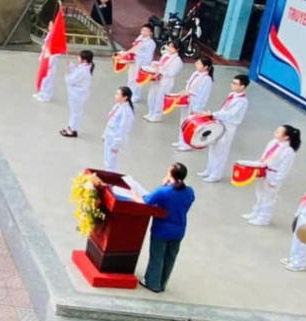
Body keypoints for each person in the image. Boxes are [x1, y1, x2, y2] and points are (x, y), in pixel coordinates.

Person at [139, 163, 196, 295]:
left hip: (162, 229)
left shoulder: (164, 191)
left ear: (171, 175)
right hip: (179, 230)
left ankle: (152, 282)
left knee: (157, 256)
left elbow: (147, 201)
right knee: (170, 257)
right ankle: (162, 283)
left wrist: (164, 185)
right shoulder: (189, 191)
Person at [243, 125, 300, 226]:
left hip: (273, 174)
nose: (276, 132)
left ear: (286, 137)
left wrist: (275, 181)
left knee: (268, 197)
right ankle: (256, 211)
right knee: (260, 193)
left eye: (279, 131)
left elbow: (284, 168)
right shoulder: (273, 142)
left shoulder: (288, 151)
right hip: (263, 170)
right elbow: (265, 155)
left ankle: (264, 217)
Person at [201, 73, 250, 182]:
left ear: (242, 86)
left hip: (229, 126)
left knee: (221, 150)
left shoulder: (242, 101)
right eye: (232, 82)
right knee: (213, 146)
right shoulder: (232, 95)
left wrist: (213, 114)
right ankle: (209, 169)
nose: (232, 85)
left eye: (235, 84)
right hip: (220, 122)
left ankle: (216, 174)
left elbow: (230, 114)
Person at [175, 57, 216, 149]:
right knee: (183, 121)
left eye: (199, 64)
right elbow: (189, 86)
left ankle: (188, 144)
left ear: (206, 67)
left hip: (195, 102)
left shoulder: (207, 79)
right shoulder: (195, 74)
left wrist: (197, 107)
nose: (196, 65)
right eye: (196, 63)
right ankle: (181, 140)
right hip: (188, 99)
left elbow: (204, 95)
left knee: (191, 124)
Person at [60, 49, 95, 139]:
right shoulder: (86, 67)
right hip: (78, 94)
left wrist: (66, 76)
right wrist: (70, 65)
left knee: (75, 112)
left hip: (77, 94)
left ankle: (72, 130)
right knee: (75, 112)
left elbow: (71, 80)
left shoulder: (83, 70)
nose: (77, 58)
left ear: (84, 60)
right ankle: (71, 127)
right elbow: (76, 72)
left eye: (79, 56)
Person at [145, 41, 182, 122]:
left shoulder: (177, 60)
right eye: (169, 46)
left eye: (172, 47)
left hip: (166, 81)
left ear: (177, 49)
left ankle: (157, 115)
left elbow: (171, 72)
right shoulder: (166, 55)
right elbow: (161, 63)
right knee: (152, 95)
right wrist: (156, 64)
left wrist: (161, 70)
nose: (169, 48)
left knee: (160, 98)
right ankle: (151, 112)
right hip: (157, 78)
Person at [102, 85, 135, 172]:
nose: (115, 96)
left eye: (118, 94)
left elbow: (123, 129)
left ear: (125, 97)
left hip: (115, 140)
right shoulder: (118, 106)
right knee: (107, 160)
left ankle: (110, 178)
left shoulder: (126, 112)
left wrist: (116, 145)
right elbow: (110, 122)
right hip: (110, 137)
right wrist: (105, 135)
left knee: (111, 163)